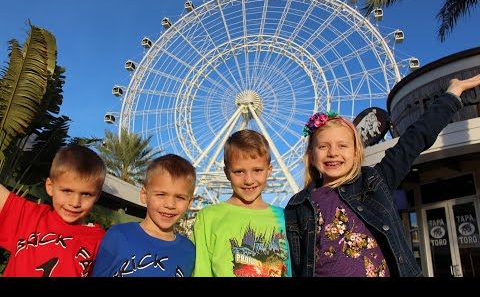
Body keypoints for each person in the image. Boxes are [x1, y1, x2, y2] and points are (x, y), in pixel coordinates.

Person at [284, 74, 480, 277]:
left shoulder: (373, 182)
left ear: (356, 153)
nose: (333, 152)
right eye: (323, 146)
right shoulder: (298, 205)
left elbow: (415, 139)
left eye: (342, 146)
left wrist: (452, 93)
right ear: (311, 155)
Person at [191, 129, 292, 277]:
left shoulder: (285, 218)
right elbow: (201, 270)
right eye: (239, 172)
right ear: (226, 173)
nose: (248, 180)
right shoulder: (209, 218)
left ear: (269, 170)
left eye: (257, 170)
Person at [0, 144, 106, 277]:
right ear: (50, 187)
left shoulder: (101, 242)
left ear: (97, 195)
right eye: (67, 191)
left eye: (86, 194)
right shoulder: (29, 217)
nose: (75, 203)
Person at [92, 153, 196, 277]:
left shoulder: (189, 251)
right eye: (161, 194)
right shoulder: (118, 236)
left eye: (180, 197)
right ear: (144, 195)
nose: (170, 204)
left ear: (190, 203)